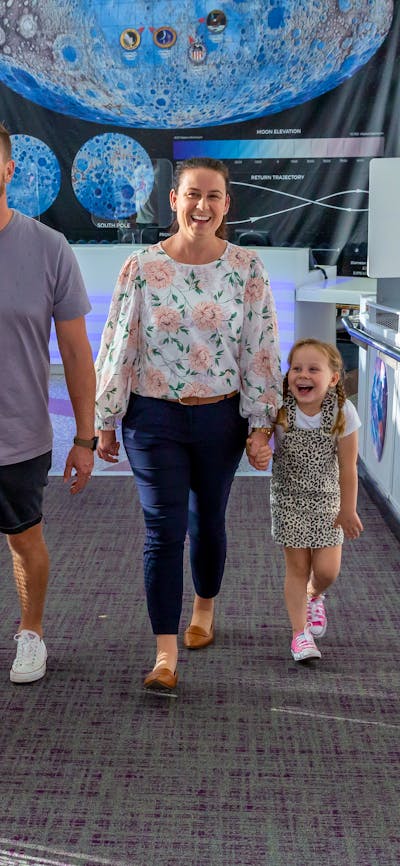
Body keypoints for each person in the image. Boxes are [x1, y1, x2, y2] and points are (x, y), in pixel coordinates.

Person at [95, 156, 282, 692]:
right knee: (162, 530)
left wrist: (259, 423)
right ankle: (164, 653)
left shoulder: (247, 268)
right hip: (153, 418)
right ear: (174, 200)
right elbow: (118, 344)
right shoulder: (140, 267)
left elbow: (260, 349)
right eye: (192, 195)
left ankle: (204, 607)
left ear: (227, 204)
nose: (202, 206)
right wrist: (106, 418)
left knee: (208, 521)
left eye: (214, 197)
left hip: (221, 417)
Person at [0, 123, 96, 683]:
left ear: (9, 170)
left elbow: (78, 356)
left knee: (25, 540)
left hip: (19, 434)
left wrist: (84, 437)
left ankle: (30, 633)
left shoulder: (47, 248)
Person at [249, 338, 363, 663]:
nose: (303, 375)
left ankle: (316, 595)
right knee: (297, 567)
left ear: (333, 378)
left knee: (327, 570)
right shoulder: (280, 408)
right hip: (289, 499)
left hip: (328, 502)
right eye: (296, 368)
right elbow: (259, 440)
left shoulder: (343, 411)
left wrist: (348, 509)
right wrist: (256, 450)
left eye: (314, 369)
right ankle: (300, 635)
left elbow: (348, 467)